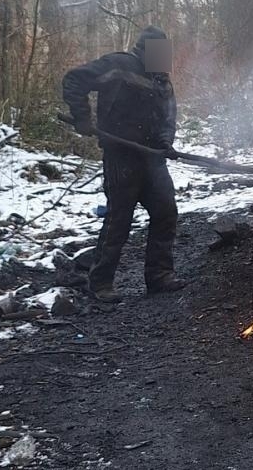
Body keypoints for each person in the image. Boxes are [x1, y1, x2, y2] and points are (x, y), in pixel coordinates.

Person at [62, 26, 186, 301]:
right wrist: (82, 117)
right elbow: (74, 80)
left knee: (166, 213)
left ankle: (159, 275)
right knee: (119, 220)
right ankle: (101, 283)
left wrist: (165, 142)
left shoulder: (162, 80)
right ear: (147, 49)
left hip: (152, 160)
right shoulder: (118, 65)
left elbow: (168, 116)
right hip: (121, 157)